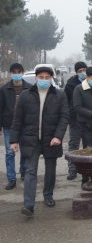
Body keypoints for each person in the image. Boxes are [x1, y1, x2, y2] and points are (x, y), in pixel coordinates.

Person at [9, 67, 69, 216]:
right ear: (36, 78)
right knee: (30, 171)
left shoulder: (59, 95)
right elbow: (17, 119)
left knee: (50, 170)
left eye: (47, 77)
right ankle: (28, 204)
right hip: (31, 139)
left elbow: (64, 118)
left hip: (51, 139)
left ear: (51, 79)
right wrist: (14, 140)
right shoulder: (25, 95)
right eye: (41, 77)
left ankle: (48, 195)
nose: (44, 79)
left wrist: (58, 136)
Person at [0, 63, 30, 189]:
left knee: (25, 151)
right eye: (14, 72)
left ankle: (23, 171)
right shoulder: (4, 89)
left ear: (23, 73)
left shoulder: (29, 88)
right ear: (11, 74)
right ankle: (11, 179)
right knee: (10, 152)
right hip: (9, 125)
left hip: (25, 125)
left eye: (19, 71)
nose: (16, 74)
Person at [64, 61, 87, 180]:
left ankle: (87, 170)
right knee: (73, 145)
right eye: (80, 71)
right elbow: (66, 102)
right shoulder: (70, 84)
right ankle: (72, 170)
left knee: (88, 145)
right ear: (76, 72)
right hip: (75, 119)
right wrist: (69, 115)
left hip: (89, 119)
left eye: (84, 70)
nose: (82, 73)